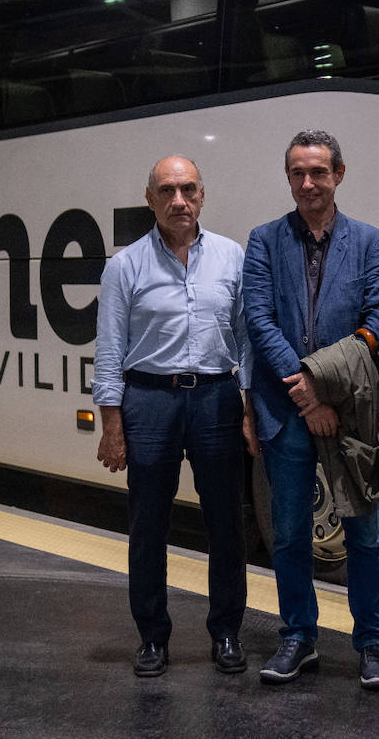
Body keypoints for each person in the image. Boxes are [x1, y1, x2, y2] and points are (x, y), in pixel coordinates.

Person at [243, 129, 379, 689]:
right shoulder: (263, 241)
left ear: (339, 173)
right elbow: (259, 321)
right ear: (288, 178)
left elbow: (378, 323)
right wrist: (304, 394)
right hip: (286, 411)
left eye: (319, 172)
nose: (308, 183)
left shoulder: (372, 243)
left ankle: (374, 643)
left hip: (352, 408)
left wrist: (322, 386)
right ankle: (298, 637)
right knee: (287, 532)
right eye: (297, 173)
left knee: (367, 533)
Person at [93, 156, 257, 678]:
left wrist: (250, 406)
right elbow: (110, 350)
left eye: (188, 189)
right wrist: (112, 426)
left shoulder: (232, 256)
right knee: (147, 527)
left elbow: (247, 341)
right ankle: (152, 638)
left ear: (202, 196)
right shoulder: (125, 266)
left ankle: (227, 631)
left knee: (227, 524)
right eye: (167, 191)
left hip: (215, 399)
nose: (178, 200)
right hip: (150, 401)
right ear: (150, 199)